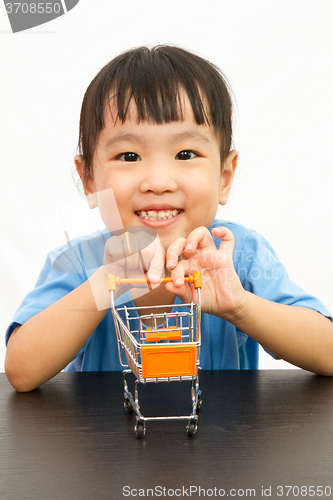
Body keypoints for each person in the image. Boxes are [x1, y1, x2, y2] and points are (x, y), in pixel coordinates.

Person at [5, 45, 333, 393]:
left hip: (222, 445)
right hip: (105, 445)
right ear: (89, 181)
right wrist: (103, 285)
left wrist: (239, 306)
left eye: (185, 153)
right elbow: (22, 372)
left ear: (224, 176)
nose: (158, 182)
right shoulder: (78, 263)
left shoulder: (239, 254)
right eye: (129, 155)